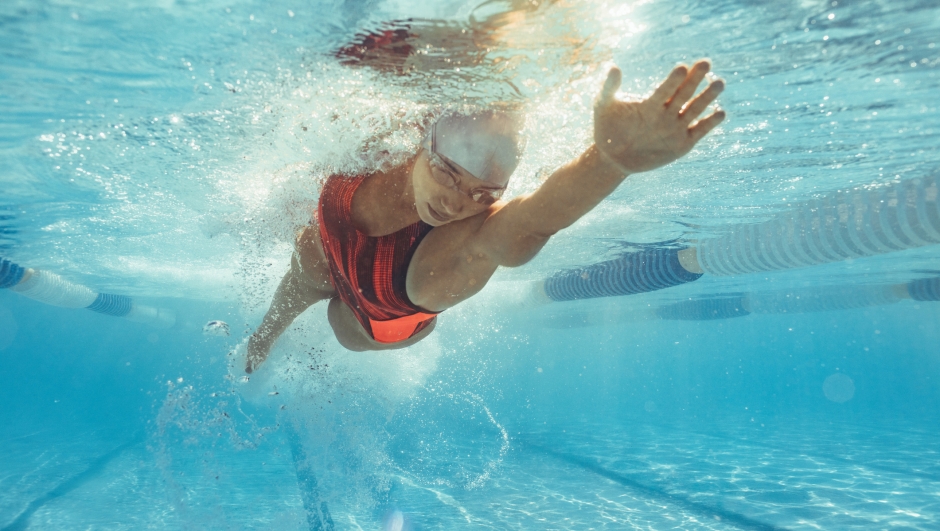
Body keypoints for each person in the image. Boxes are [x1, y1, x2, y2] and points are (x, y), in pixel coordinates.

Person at [245, 60, 725, 373]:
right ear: (422, 142)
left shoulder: (454, 256)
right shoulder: (381, 139)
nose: (457, 203)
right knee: (309, 256)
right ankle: (261, 340)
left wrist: (612, 161)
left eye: (483, 192)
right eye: (449, 174)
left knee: (339, 321)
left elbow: (535, 218)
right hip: (336, 254)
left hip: (380, 319)